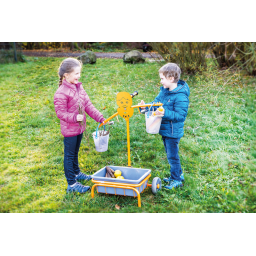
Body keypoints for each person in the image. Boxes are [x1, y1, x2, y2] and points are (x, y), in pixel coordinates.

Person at [54, 58, 106, 193]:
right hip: (69, 130)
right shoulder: (61, 92)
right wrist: (74, 117)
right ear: (66, 75)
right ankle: (71, 184)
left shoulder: (79, 87)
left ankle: (77, 173)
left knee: (75, 153)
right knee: (69, 156)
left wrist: (100, 118)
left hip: (79, 128)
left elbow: (88, 105)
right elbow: (60, 113)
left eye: (79, 73)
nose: (79, 76)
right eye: (76, 73)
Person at [139, 63, 190, 189]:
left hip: (173, 132)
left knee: (172, 156)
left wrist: (165, 113)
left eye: (162, 78)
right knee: (170, 154)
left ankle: (176, 179)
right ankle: (178, 174)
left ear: (171, 79)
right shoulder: (165, 92)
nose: (160, 81)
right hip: (166, 130)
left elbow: (180, 116)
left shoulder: (180, 96)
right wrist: (146, 107)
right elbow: (156, 104)